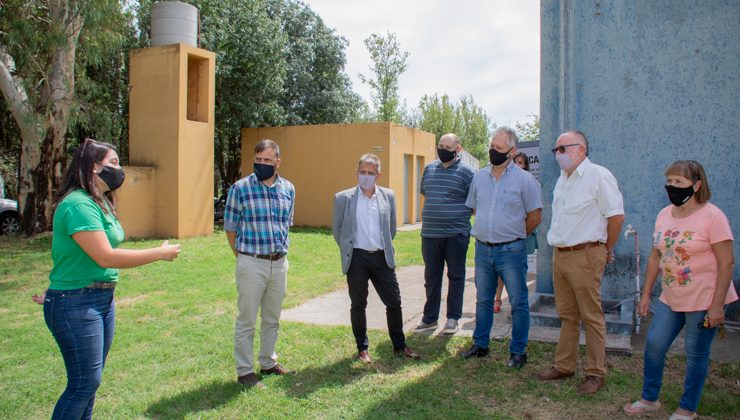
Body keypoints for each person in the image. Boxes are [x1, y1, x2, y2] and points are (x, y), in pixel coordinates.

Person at [32, 139, 181, 420]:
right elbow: (105, 257)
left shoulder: (98, 202)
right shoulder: (78, 204)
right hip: (75, 302)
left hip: (97, 299)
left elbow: (75, 256)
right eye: (113, 163)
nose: (119, 169)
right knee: (84, 384)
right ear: (92, 166)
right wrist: (159, 254)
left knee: (90, 384)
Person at [623, 160, 737, 419]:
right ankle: (649, 399)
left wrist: (717, 305)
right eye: (670, 181)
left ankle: (687, 408)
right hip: (671, 297)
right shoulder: (664, 214)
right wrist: (646, 293)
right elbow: (655, 257)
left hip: (704, 299)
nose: (671, 187)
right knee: (654, 345)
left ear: (696, 186)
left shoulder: (713, 216)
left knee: (696, 354)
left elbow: (726, 262)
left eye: (679, 182)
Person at [537, 130, 624, 395]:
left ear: (582, 149)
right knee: (567, 315)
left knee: (591, 316)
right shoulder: (563, 179)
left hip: (586, 254)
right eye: (556, 150)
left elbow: (616, 216)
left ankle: (595, 373)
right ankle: (564, 365)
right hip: (561, 254)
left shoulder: (599, 175)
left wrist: (605, 249)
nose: (558, 154)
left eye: (563, 149)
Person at [462, 127, 542, 369]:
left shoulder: (525, 180)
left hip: (511, 251)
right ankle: (480, 344)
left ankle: (518, 351)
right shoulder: (479, 177)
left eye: (498, 148)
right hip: (483, 249)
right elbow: (474, 208)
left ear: (512, 150)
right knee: (483, 299)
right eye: (491, 146)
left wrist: (514, 235)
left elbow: (535, 215)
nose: (492, 151)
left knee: (518, 302)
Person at [333, 153, 421, 363]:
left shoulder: (388, 196)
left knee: (394, 302)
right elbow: (338, 230)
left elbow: (390, 228)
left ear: (378, 175)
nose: (365, 176)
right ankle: (362, 348)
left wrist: (382, 247)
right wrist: (349, 249)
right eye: (362, 172)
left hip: (381, 257)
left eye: (370, 173)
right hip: (357, 258)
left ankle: (400, 345)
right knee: (358, 304)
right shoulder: (343, 198)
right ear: (356, 173)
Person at [224, 139, 295, 388]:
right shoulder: (240, 188)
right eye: (258, 159)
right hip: (251, 262)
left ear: (278, 161)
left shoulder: (288, 189)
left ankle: (268, 362)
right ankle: (245, 371)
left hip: (279, 263)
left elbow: (287, 224)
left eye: (267, 160)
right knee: (247, 319)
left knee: (272, 318)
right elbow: (230, 228)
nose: (262, 164)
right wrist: (243, 257)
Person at [414, 133, 475, 335]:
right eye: (440, 145)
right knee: (431, 277)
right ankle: (430, 319)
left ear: (458, 149)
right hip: (430, 234)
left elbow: (474, 202)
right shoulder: (429, 168)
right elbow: (426, 193)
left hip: (456, 234)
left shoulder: (468, 172)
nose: (442, 150)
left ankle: (452, 319)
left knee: (456, 276)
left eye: (447, 147)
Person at [494, 152, 538, 313]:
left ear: (526, 166)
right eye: (515, 162)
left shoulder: (530, 184)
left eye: (522, 163)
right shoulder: (500, 183)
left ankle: (517, 304)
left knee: (518, 273)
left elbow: (535, 213)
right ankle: (497, 299)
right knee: (500, 271)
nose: (518, 165)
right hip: (503, 235)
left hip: (522, 235)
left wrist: (522, 233)